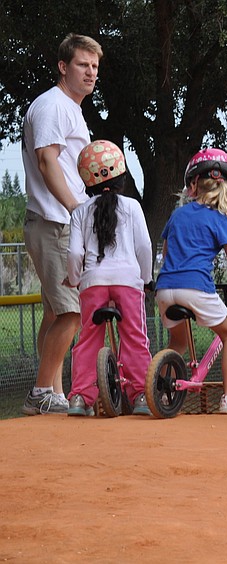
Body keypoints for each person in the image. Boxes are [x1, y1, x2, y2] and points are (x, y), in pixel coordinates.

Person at [21, 33, 103, 415]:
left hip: (57, 220)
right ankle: (41, 392)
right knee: (72, 311)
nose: (90, 72)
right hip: (55, 220)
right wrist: (76, 208)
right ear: (63, 67)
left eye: (94, 66)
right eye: (82, 65)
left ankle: (52, 391)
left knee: (56, 312)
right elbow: (47, 161)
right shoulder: (53, 105)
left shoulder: (69, 107)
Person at [155, 148, 227, 414]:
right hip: (196, 288)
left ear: (193, 185)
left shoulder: (177, 215)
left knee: (176, 342)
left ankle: (159, 394)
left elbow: (166, 252)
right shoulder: (220, 218)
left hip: (165, 289)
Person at [65, 140, 152, 416]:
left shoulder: (80, 211)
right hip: (127, 280)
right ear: (121, 176)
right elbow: (144, 247)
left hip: (93, 282)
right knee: (135, 337)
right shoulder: (132, 207)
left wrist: (75, 279)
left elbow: (74, 255)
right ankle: (140, 396)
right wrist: (147, 279)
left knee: (88, 339)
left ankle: (80, 399)